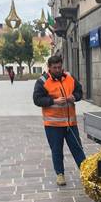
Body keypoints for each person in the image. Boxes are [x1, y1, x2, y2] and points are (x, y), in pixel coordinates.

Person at [33, 56, 86, 186]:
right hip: (53, 125)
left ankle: (85, 172)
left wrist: (75, 97)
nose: (57, 70)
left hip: (70, 123)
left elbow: (79, 92)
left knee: (77, 148)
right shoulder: (42, 81)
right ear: (49, 68)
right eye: (54, 67)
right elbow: (37, 99)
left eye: (59, 67)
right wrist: (53, 101)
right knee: (57, 150)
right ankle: (60, 174)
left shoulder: (69, 77)